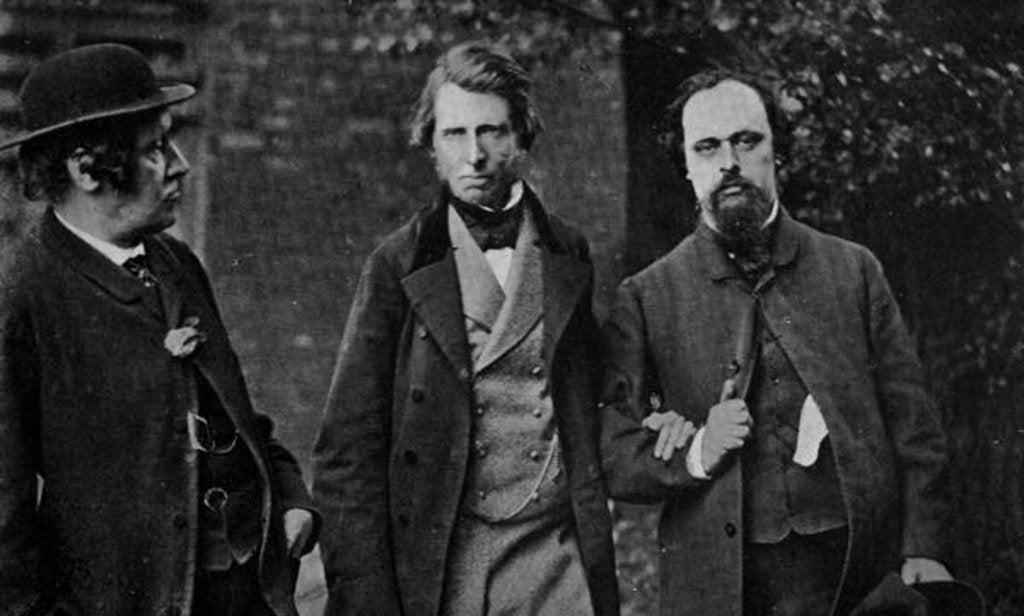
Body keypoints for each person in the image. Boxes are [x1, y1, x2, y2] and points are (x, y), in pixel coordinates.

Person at [599, 68, 952, 616]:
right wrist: (696, 452)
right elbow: (616, 453)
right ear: (687, 168)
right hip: (724, 586)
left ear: (775, 150)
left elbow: (916, 433)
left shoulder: (852, 270)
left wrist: (924, 548)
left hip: (857, 578)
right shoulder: (645, 298)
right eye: (709, 147)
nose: (730, 162)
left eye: (747, 140)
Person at [0, 43, 318, 616]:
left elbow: (240, 419)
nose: (180, 163)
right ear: (85, 166)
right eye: (154, 148)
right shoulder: (23, 295)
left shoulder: (174, 262)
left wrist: (291, 497)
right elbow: (3, 516)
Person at [312, 41, 619, 616]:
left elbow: (593, 393)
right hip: (450, 562)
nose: (474, 155)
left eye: (492, 132)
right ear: (430, 145)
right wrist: (367, 598)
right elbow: (345, 453)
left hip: (556, 558)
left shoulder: (567, 249)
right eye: (454, 134)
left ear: (522, 137)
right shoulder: (398, 264)